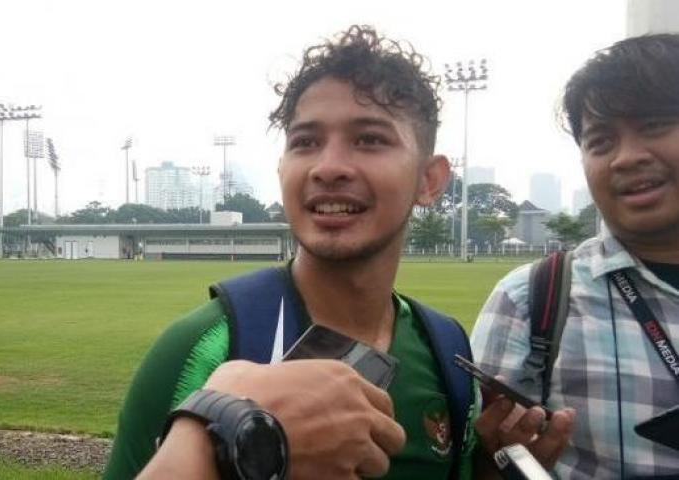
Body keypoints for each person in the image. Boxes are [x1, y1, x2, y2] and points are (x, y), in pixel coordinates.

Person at [105, 25, 573, 480]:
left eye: (370, 139)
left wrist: (491, 471)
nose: (328, 167)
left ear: (429, 180)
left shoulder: (447, 348)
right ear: (282, 168)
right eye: (305, 142)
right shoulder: (204, 346)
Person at [471, 33, 679, 479]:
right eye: (600, 141)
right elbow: (475, 462)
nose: (625, 157)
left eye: (655, 126)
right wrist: (496, 462)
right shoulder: (530, 299)